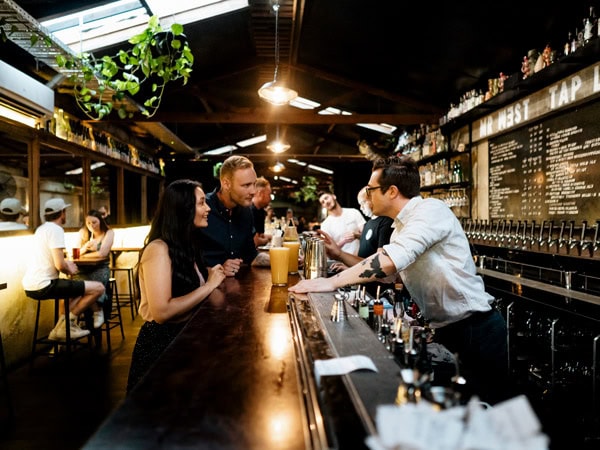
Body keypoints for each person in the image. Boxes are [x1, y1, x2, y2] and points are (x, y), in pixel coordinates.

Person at [290, 156, 509, 405]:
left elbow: (387, 261)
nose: (367, 194)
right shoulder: (400, 227)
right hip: (450, 330)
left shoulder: (430, 211)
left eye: (371, 189)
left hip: (477, 329)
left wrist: (330, 282)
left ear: (392, 191)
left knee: (488, 414)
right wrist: (338, 255)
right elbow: (389, 273)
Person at [127, 179, 226, 393]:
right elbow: (162, 312)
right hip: (161, 347)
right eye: (201, 203)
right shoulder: (158, 249)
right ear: (184, 209)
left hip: (184, 341)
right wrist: (208, 286)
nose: (208, 208)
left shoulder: (186, 246)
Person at [22, 198, 105, 340]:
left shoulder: (41, 229)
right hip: (45, 285)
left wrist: (66, 264)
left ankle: (59, 329)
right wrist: (69, 269)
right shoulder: (56, 229)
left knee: (77, 292)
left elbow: (53, 258)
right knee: (98, 288)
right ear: (62, 212)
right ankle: (68, 325)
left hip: (30, 285)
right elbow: (59, 264)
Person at [196, 155, 258, 276]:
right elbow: (183, 260)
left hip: (240, 289)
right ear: (226, 184)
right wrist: (215, 270)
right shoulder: (201, 209)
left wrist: (284, 258)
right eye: (246, 185)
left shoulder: (247, 212)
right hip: (204, 290)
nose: (253, 191)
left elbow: (251, 255)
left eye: (254, 184)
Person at [327, 186, 394, 296]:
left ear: (373, 199)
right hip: (363, 286)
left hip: (379, 290)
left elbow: (379, 262)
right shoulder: (368, 224)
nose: (361, 207)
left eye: (363, 203)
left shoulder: (386, 222)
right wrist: (349, 268)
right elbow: (360, 252)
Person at [74, 209, 115, 328]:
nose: (91, 226)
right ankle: (96, 311)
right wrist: (85, 248)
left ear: (100, 221)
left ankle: (85, 318)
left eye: (94, 222)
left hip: (100, 268)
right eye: (88, 223)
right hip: (83, 269)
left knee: (93, 287)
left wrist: (84, 254)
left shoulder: (109, 233)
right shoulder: (83, 232)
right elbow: (75, 253)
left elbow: (103, 253)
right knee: (78, 287)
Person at [318, 191, 365, 256]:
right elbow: (327, 251)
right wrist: (343, 241)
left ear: (334, 196)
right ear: (323, 206)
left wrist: (356, 235)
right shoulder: (325, 225)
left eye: (326, 198)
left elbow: (366, 235)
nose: (326, 202)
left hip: (361, 257)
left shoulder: (353, 212)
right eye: (323, 202)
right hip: (342, 261)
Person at [251, 176, 272, 248]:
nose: (270, 198)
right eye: (269, 194)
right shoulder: (250, 211)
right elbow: (255, 242)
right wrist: (266, 240)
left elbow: (260, 235)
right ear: (260, 194)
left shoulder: (260, 211)